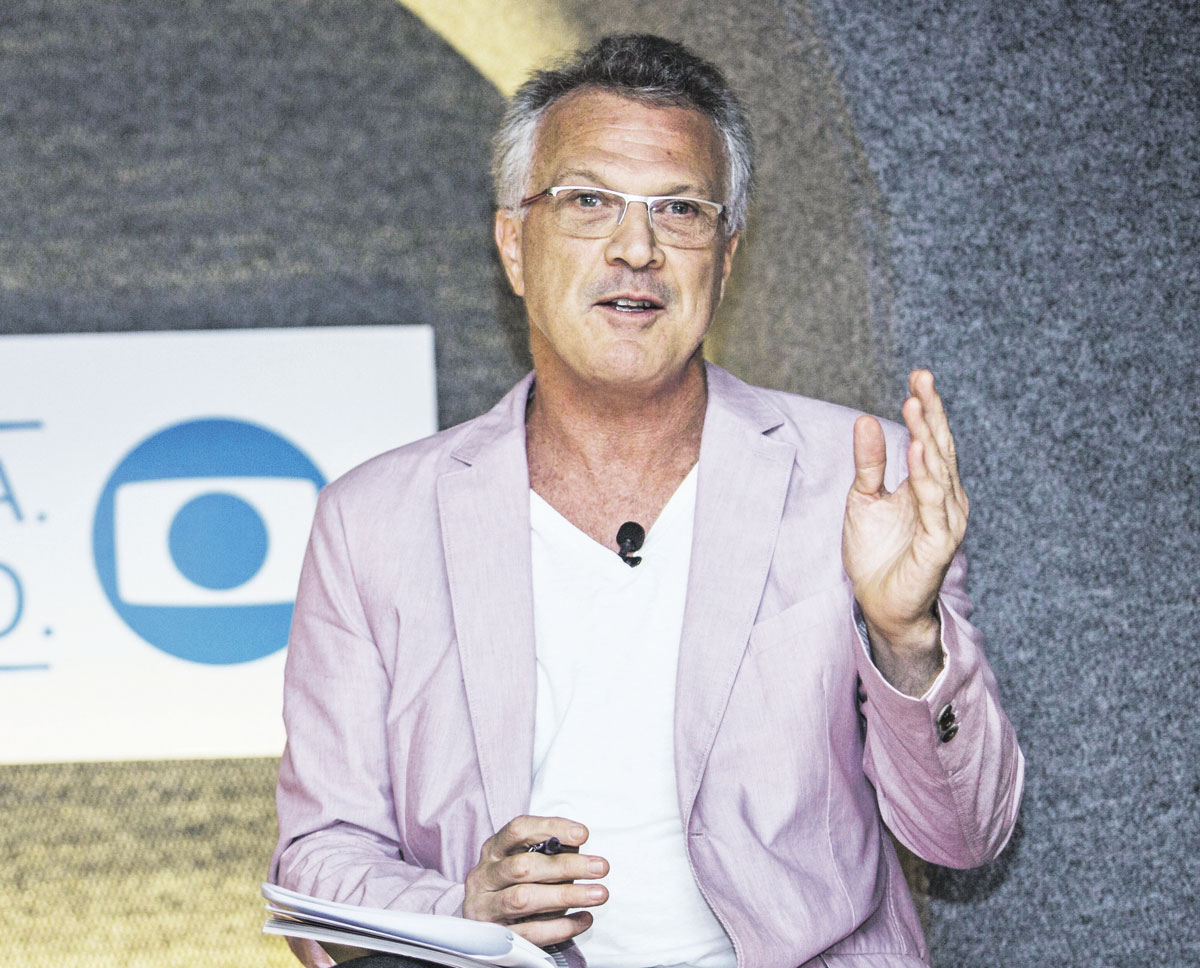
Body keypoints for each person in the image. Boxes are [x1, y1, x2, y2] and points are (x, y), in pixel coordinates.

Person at [270, 34, 1023, 968]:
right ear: (514, 244)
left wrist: (906, 638)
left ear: (727, 256)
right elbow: (317, 866)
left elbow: (966, 837)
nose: (637, 248)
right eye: (588, 201)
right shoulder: (374, 520)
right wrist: (458, 907)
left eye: (679, 209)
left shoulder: (860, 477)